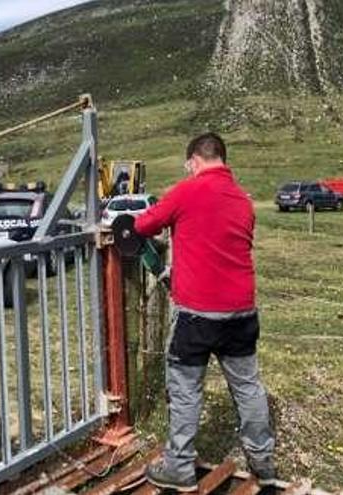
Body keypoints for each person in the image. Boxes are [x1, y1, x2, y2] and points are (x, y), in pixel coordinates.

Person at [134, 133, 275, 491]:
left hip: (197, 315)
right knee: (248, 388)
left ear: (194, 161)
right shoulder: (243, 201)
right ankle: (264, 462)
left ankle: (179, 467)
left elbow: (143, 226)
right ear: (223, 160)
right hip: (242, 313)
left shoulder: (187, 190)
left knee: (185, 391)